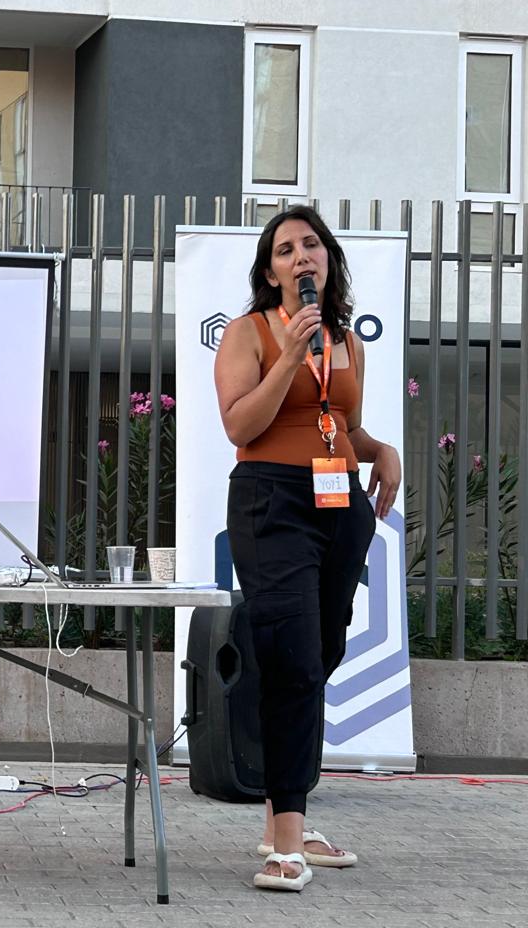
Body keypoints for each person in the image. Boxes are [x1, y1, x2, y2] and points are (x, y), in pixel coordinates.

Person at [212, 205, 401, 892]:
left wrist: (381, 450)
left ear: (328, 260)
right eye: (286, 249)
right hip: (270, 501)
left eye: (311, 245)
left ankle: (279, 821)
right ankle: (287, 844)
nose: (301, 257)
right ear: (272, 272)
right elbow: (242, 424)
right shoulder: (250, 332)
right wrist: (290, 353)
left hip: (339, 506)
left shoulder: (348, 341)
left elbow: (339, 424)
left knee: (319, 655)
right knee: (290, 656)